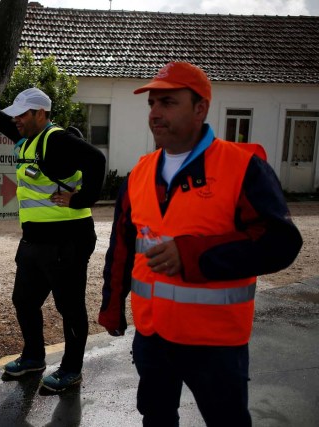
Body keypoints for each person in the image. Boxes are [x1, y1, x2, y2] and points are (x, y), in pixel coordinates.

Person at [98, 62, 303, 425]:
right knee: (156, 417)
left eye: (168, 102)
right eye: (152, 104)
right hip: (153, 335)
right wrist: (112, 305)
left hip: (216, 344)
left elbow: (281, 243)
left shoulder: (243, 168)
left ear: (200, 108)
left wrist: (194, 255)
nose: (156, 113)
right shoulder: (139, 174)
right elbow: (122, 247)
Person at [0, 78, 106, 392]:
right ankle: (33, 357)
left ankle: (71, 369)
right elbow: (3, 123)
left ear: (41, 113)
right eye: (16, 115)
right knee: (24, 300)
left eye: (22, 115)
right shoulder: (27, 137)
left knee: (69, 307)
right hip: (35, 240)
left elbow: (97, 160)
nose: (16, 119)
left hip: (67, 239)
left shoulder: (55, 140)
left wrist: (81, 199)